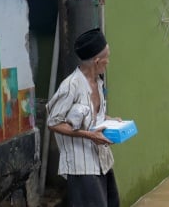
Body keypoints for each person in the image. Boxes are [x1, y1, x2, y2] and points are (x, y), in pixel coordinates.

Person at [46, 28, 121, 207]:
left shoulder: (98, 82)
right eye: (107, 58)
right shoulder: (71, 86)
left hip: (102, 160)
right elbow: (53, 122)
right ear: (97, 61)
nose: (108, 62)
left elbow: (94, 116)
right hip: (82, 166)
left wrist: (110, 120)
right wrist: (89, 136)